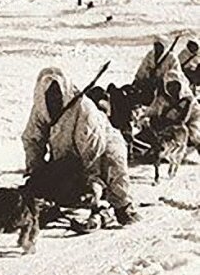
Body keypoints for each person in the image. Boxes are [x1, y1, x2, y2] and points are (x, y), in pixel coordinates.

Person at [22, 67, 138, 229]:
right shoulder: (41, 108)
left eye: (57, 91)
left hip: (102, 146)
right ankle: (49, 203)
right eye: (49, 92)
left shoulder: (84, 108)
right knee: (46, 181)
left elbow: (93, 151)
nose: (54, 97)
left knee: (112, 166)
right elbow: (32, 139)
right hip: (66, 153)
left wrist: (93, 183)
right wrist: (36, 171)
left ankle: (119, 207)